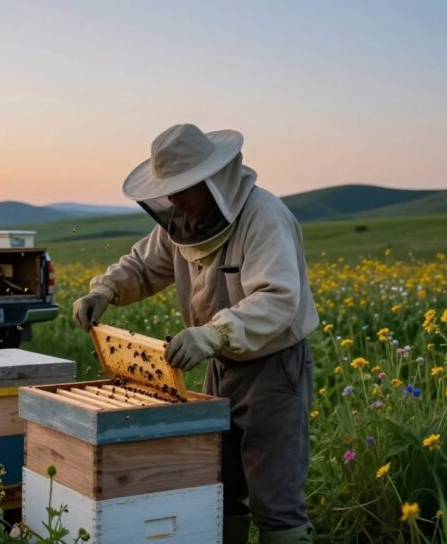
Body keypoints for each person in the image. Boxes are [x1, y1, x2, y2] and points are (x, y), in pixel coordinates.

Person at [72, 123, 319, 544]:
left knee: (274, 497)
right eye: (170, 189)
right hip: (221, 365)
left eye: (184, 188)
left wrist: (211, 334)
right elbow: (143, 264)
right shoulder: (187, 221)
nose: (175, 200)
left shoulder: (264, 217)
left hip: (273, 368)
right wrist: (106, 289)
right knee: (220, 484)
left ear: (214, 179)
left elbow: (277, 299)